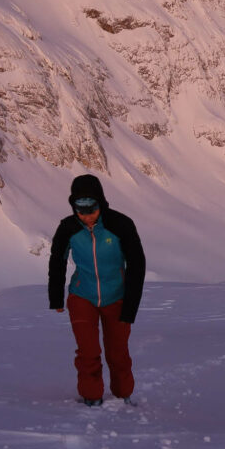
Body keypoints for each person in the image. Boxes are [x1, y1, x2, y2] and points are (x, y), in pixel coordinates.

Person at [48, 174, 146, 407]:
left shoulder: (120, 225)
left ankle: (123, 395)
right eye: (79, 209)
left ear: (101, 203)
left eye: (91, 207)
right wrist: (56, 297)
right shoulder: (68, 227)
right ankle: (91, 397)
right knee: (88, 352)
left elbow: (137, 265)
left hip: (117, 298)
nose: (86, 214)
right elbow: (57, 261)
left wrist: (130, 307)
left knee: (118, 352)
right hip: (82, 296)